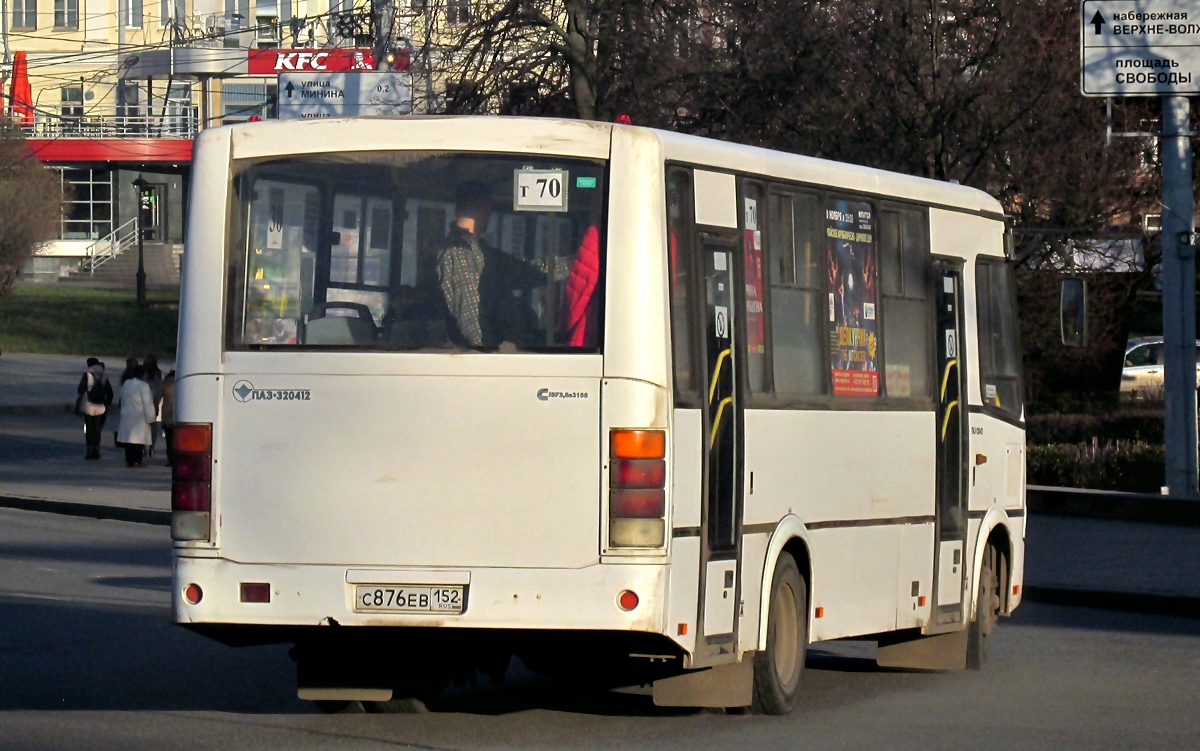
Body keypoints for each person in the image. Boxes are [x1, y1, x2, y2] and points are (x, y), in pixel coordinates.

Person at [435, 182, 567, 347]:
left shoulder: (483, 253)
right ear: (483, 208)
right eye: (488, 209)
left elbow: (529, 272)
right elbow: (472, 325)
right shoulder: (458, 253)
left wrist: (577, 264)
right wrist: (497, 356)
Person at [116, 365, 156, 467]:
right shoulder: (144, 386)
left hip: (127, 414)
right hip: (139, 417)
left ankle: (129, 460)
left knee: (129, 440)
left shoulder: (127, 383)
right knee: (139, 440)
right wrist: (151, 418)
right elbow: (147, 403)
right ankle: (137, 460)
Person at [76, 358, 113, 460]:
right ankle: (96, 449)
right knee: (97, 429)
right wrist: (106, 403)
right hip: (100, 407)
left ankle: (89, 449)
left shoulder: (87, 375)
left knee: (89, 428)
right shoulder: (104, 377)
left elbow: (80, 390)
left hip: (88, 406)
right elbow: (109, 393)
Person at [143, 353, 164, 457]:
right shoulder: (159, 374)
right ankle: (151, 446)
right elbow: (160, 389)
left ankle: (143, 446)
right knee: (153, 426)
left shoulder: (143, 373)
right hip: (153, 400)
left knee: (142, 425)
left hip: (143, 402)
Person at [161, 370, 176, 466]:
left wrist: (155, 409)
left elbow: (157, 396)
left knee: (169, 440)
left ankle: (170, 459)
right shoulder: (182, 383)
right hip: (179, 415)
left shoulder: (165, 384)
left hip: (167, 415)